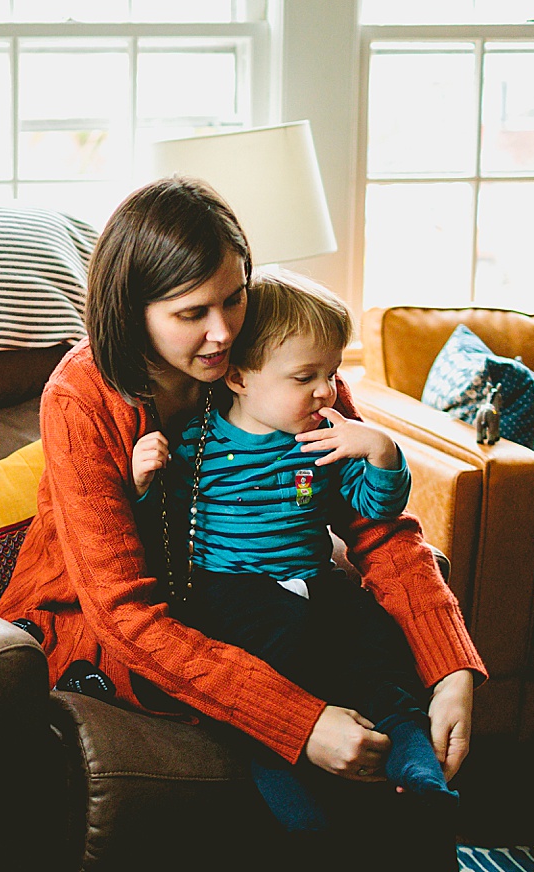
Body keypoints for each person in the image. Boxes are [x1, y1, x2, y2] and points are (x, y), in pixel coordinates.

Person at [0, 177, 485, 870]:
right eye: (192, 312)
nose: (224, 331)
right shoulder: (80, 396)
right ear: (133, 313)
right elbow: (123, 613)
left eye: (234, 296)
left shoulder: (284, 358)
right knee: (302, 658)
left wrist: (451, 667)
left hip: (251, 590)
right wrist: (302, 723)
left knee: (375, 626)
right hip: (99, 619)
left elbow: (380, 531)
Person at [131, 266, 456, 834]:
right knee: (279, 653)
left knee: (374, 638)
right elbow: (156, 531)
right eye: (305, 376)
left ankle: (415, 756)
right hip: (232, 587)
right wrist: (142, 480)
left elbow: (374, 510)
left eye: (331, 373)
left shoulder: (322, 438)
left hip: (313, 577)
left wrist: (380, 452)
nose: (326, 391)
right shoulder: (196, 445)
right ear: (238, 378)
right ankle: (293, 786)